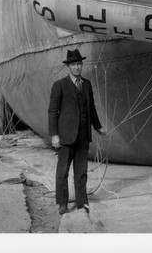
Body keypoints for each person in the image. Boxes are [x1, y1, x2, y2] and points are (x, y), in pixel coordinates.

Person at [48, 49, 107, 214]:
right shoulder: (59, 85)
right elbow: (53, 111)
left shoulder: (86, 85)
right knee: (63, 172)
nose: (77, 67)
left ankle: (82, 203)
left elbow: (92, 109)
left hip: (82, 137)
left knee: (81, 173)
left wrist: (98, 127)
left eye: (79, 64)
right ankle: (62, 203)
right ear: (68, 66)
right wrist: (54, 135)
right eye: (73, 64)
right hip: (65, 137)